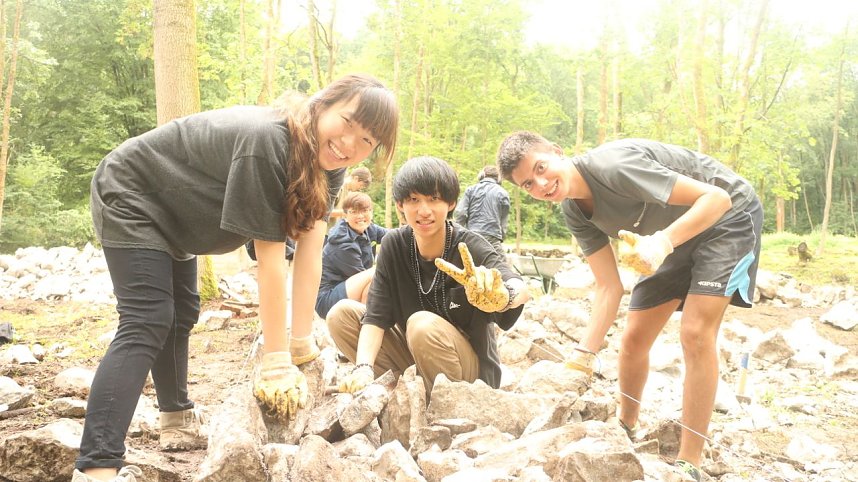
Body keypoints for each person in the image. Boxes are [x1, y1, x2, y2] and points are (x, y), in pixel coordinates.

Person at [75, 74, 398, 482]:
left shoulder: (327, 163)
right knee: (148, 319)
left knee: (182, 313)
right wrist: (276, 361)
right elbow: (270, 261)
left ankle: (176, 419)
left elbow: (309, 252)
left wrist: (302, 346)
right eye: (348, 122)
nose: (351, 144)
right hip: (134, 193)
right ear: (323, 103)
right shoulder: (269, 141)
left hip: (178, 214)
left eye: (368, 140)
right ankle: (96, 466)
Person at [496, 132, 762, 482]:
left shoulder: (613, 166)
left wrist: (663, 243)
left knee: (695, 332)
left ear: (558, 152)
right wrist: (583, 356)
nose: (542, 184)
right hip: (667, 237)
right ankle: (625, 425)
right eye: (529, 184)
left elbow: (718, 198)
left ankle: (689, 462)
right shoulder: (574, 211)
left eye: (542, 168)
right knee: (634, 338)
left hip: (726, 218)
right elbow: (609, 287)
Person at [326, 156, 530, 396]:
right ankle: (404, 391)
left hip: (469, 375)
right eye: (414, 199)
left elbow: (518, 286)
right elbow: (376, 316)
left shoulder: (469, 246)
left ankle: (441, 403)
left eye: (434, 199)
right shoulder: (394, 245)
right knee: (340, 315)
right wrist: (363, 367)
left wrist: (503, 296)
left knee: (421, 323)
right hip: (415, 360)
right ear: (401, 204)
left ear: (451, 203)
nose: (424, 211)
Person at [315, 191, 388, 319]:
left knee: (375, 278)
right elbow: (364, 278)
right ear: (345, 215)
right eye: (353, 212)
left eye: (365, 210)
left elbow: (393, 236)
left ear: (371, 212)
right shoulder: (343, 243)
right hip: (329, 299)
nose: (360, 216)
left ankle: (368, 321)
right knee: (377, 275)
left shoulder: (368, 228)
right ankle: (366, 324)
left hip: (349, 288)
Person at [454, 165, 510, 254]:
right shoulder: (503, 193)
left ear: (481, 175)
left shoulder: (470, 190)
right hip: (493, 239)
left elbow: (461, 213)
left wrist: (458, 233)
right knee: (500, 267)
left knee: (466, 266)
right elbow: (503, 222)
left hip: (472, 237)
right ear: (499, 178)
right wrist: (500, 237)